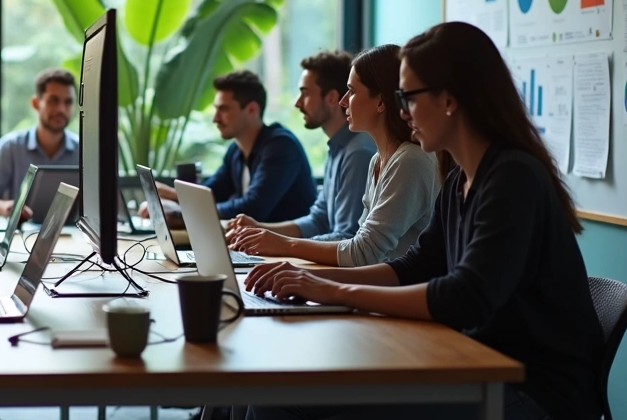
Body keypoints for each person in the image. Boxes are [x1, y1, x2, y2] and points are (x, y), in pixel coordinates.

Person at [242, 22, 605, 420]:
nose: (402, 112)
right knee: (272, 400)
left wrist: (336, 291)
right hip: (469, 361)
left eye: (408, 98)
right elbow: (417, 265)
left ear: (448, 100)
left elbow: (465, 296)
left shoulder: (513, 178)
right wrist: (315, 281)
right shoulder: (460, 177)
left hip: (532, 390)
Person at [227, 46, 437, 267]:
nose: (343, 101)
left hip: (396, 286)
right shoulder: (376, 159)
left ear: (380, 102)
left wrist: (285, 246)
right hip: (375, 280)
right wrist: (264, 233)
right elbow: (333, 227)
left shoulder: (403, 160)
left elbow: (361, 250)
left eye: (351, 91)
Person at [223, 50, 376, 251]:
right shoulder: (338, 147)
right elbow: (319, 220)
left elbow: (347, 237)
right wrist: (259, 229)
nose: (297, 103)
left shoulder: (358, 153)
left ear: (331, 98)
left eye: (305, 93)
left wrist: (281, 245)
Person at [155, 70, 315, 223]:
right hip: (251, 240)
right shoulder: (235, 150)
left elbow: (252, 209)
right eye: (216, 109)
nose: (215, 118)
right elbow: (210, 193)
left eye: (224, 109)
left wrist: (179, 213)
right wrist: (168, 198)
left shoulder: (281, 146)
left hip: (288, 242)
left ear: (252, 109)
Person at [0, 67, 79, 220]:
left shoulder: (83, 151)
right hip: (21, 231)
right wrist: (8, 208)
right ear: (36, 103)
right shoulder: (10, 147)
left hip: (71, 233)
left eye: (68, 102)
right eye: (53, 100)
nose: (61, 109)